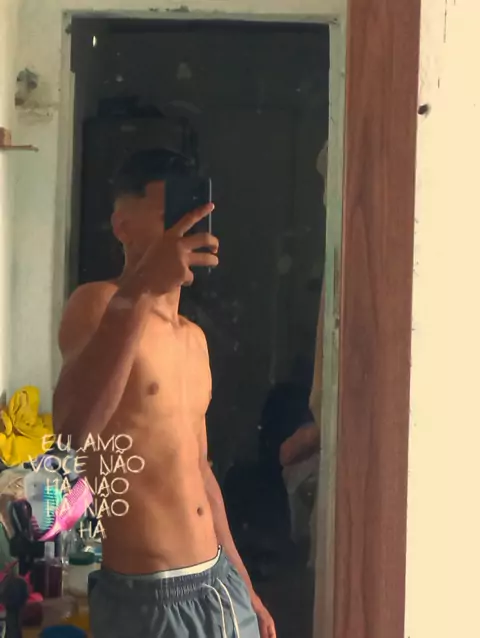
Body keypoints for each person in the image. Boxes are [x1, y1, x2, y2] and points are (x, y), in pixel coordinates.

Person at [52, 149, 275, 638]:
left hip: (219, 585)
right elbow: (71, 433)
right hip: (147, 599)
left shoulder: (194, 339)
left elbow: (199, 472)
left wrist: (246, 587)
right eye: (171, 213)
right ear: (123, 225)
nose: (184, 229)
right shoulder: (98, 304)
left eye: (193, 213)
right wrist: (139, 292)